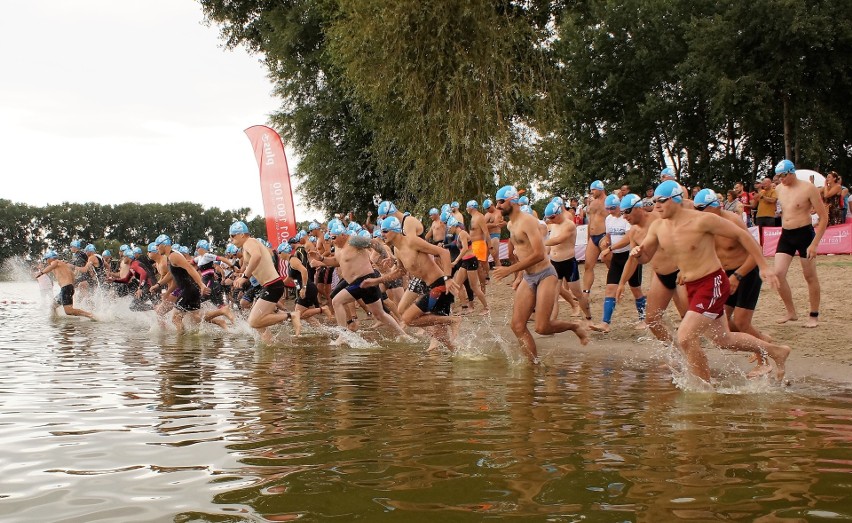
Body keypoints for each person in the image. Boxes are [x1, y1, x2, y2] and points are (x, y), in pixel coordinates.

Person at [631, 181, 791, 383]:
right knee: (723, 339)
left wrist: (764, 266)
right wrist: (638, 253)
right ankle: (775, 351)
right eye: (654, 201)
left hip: (712, 283)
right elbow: (646, 256)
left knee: (685, 336)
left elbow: (741, 235)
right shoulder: (658, 227)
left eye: (661, 201)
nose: (657, 206)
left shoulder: (702, 220)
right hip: (692, 286)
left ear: (675, 200)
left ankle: (703, 387)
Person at [491, 185, 588, 362]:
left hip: (545, 274)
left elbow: (538, 254)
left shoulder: (527, 221)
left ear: (512, 200)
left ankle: (575, 326)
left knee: (542, 327)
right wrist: (518, 276)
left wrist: (510, 270)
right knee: (517, 325)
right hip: (528, 277)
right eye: (497, 202)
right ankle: (533, 366)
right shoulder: (511, 224)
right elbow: (521, 252)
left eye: (501, 201)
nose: (497, 206)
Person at [694, 189, 773, 374]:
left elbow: (756, 252)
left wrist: (738, 275)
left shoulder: (732, 221)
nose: (698, 214)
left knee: (742, 322)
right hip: (726, 275)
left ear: (714, 207)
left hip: (747, 272)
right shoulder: (704, 226)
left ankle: (764, 361)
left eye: (701, 209)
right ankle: (762, 340)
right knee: (726, 326)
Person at [365, 216, 462, 350]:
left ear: (395, 230)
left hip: (440, 286)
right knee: (441, 337)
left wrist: (448, 278)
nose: (382, 234)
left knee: (408, 318)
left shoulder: (412, 241)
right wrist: (377, 280)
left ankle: (453, 320)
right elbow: (400, 272)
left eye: (385, 231)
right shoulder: (397, 250)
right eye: (382, 231)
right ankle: (456, 353)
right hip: (430, 288)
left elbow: (443, 252)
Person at [312, 220, 410, 345]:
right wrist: (321, 259)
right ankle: (403, 335)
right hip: (359, 283)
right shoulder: (338, 247)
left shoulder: (353, 240)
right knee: (380, 314)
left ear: (343, 234)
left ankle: (343, 335)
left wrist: (386, 256)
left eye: (334, 238)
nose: (333, 241)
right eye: (331, 238)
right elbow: (338, 262)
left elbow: (374, 243)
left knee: (337, 301)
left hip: (364, 279)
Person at [773, 160, 827, 328]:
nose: (781, 180)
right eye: (778, 177)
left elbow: (824, 217)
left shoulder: (808, 188)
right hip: (786, 234)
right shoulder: (779, 189)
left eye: (783, 176)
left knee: (809, 276)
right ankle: (791, 312)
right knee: (778, 274)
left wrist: (814, 244)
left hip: (805, 234)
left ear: (791, 172)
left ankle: (813, 315)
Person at [228, 221, 299, 341]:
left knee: (253, 321)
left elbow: (257, 256)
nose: (231, 240)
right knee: (258, 323)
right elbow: (248, 265)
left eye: (232, 236)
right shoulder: (247, 248)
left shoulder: (249, 242)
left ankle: (291, 315)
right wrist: (238, 275)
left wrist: (244, 277)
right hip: (269, 286)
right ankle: (269, 344)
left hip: (272, 285)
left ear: (241, 234)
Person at [592, 194, 646, 333]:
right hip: (617, 258)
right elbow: (609, 235)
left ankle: (643, 318)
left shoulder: (627, 218)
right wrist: (607, 241)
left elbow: (629, 238)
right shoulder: (609, 219)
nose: (610, 211)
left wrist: (610, 248)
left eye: (613, 208)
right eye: (608, 208)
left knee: (636, 290)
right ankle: (605, 323)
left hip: (630, 256)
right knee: (610, 289)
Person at [155, 234, 210, 333]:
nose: (156, 248)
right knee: (196, 318)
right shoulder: (171, 256)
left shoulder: (173, 256)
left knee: (176, 319)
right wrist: (158, 285)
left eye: (157, 245)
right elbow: (172, 275)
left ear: (164, 245)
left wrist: (201, 284)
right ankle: (220, 319)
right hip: (190, 290)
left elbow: (190, 269)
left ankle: (180, 345)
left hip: (188, 291)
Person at [543, 199, 581, 317]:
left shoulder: (568, 220)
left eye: (552, 217)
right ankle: (552, 322)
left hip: (568, 260)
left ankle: (583, 312)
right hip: (555, 261)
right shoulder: (554, 224)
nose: (550, 220)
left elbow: (559, 239)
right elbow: (553, 241)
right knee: (555, 293)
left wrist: (540, 244)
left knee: (575, 291)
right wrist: (545, 255)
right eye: (548, 218)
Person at [35, 251, 96, 320]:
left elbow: (52, 266)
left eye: (46, 259)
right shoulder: (64, 265)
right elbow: (73, 276)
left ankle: (90, 315)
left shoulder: (55, 262)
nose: (46, 261)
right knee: (53, 305)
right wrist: (71, 288)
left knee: (69, 311)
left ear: (50, 258)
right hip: (67, 288)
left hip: (66, 288)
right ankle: (55, 321)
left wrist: (41, 273)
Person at [579, 180, 607, 320]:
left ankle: (614, 288)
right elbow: (590, 220)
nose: (591, 193)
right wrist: (588, 237)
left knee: (610, 264)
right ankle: (586, 292)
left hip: (603, 235)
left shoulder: (607, 202)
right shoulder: (592, 202)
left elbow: (613, 218)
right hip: (593, 237)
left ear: (600, 189)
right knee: (588, 265)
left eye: (593, 190)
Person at [466, 200, 491, 287]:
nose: (466, 209)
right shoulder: (473, 217)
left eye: (467, 207)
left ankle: (485, 280)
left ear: (471, 207)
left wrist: (490, 245)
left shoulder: (479, 217)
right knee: (477, 266)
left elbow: (486, 232)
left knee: (480, 265)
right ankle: (480, 283)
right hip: (473, 244)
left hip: (479, 244)